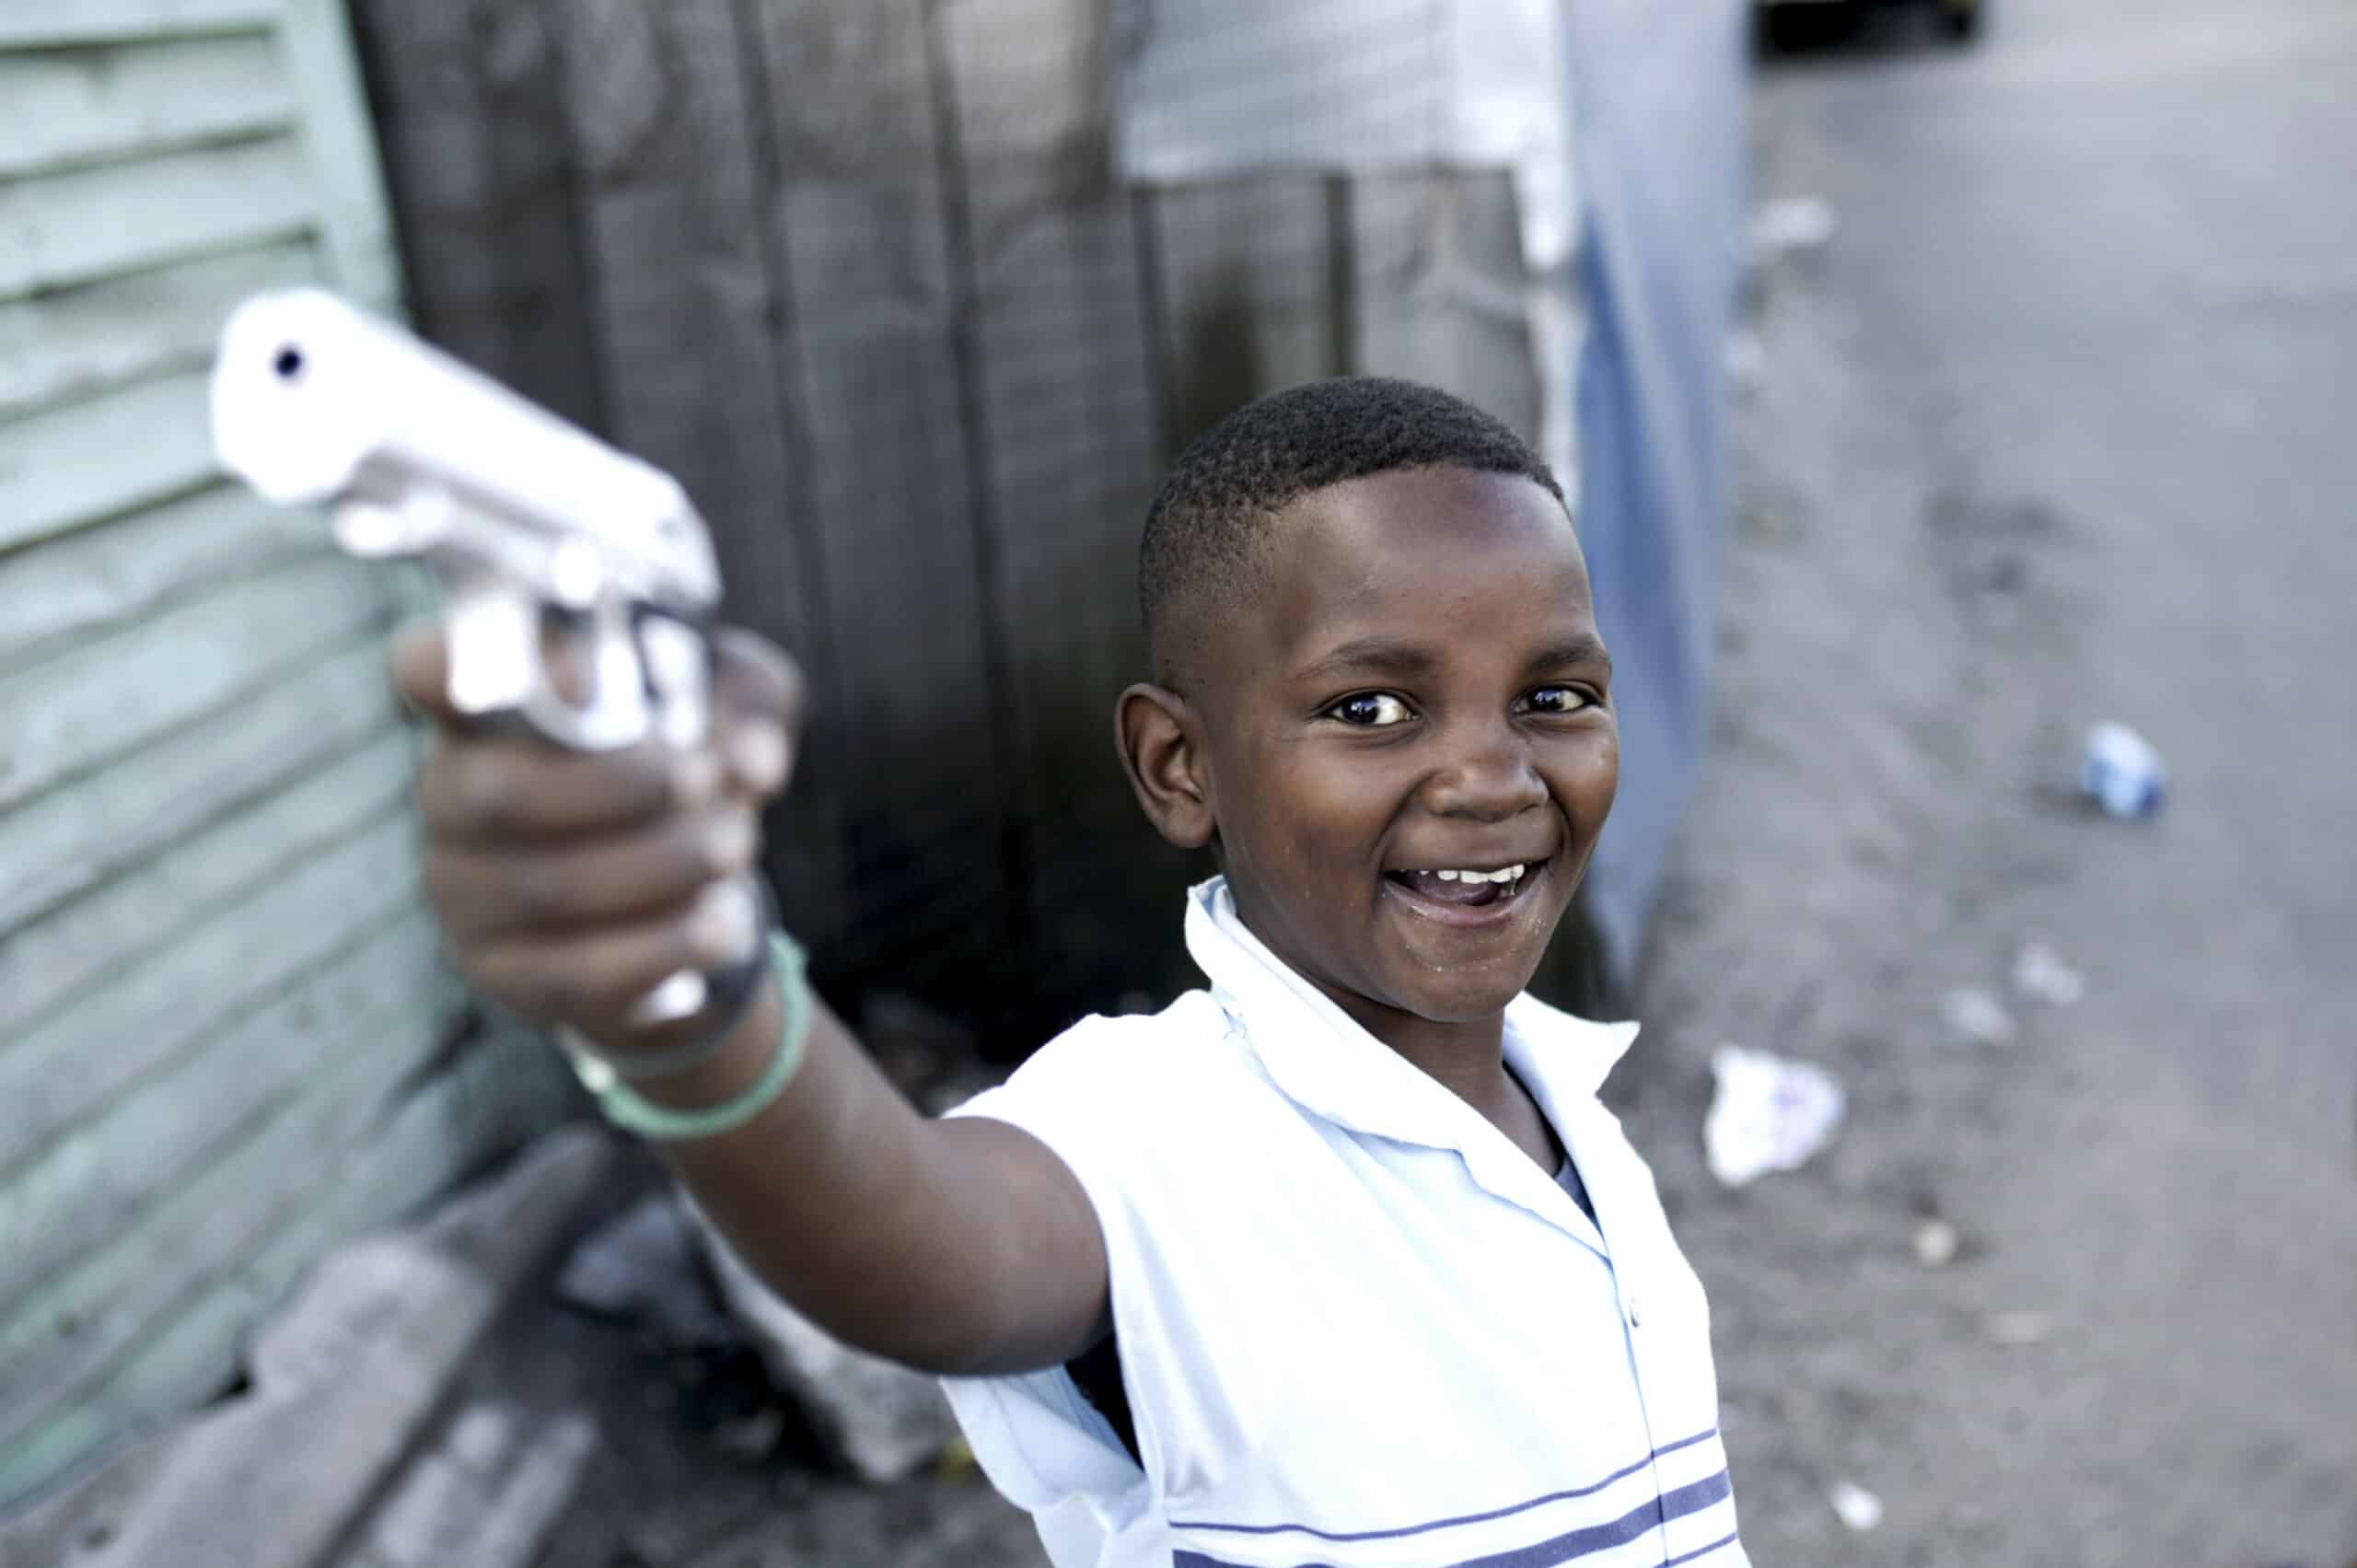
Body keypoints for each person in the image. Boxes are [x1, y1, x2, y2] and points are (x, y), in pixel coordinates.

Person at [393, 377, 1747, 1567]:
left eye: (1554, 698)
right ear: (1181, 766)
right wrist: (685, 1004)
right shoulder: (1151, 1139)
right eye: (1370, 709)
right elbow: (926, 1243)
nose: (1495, 777)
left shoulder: (1568, 1107)